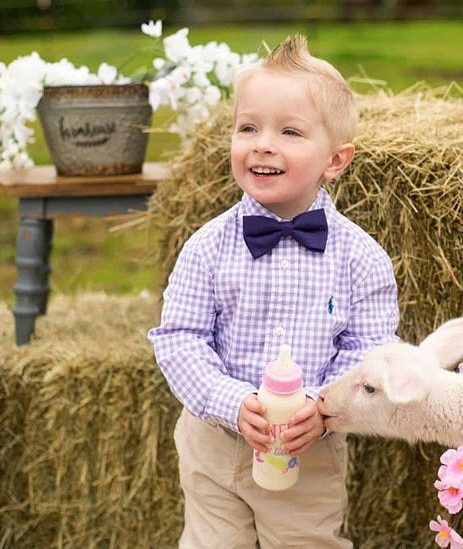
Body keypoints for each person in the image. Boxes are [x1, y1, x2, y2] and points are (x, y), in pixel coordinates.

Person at [148, 34, 399, 549]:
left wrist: (322, 407)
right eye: (247, 128)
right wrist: (231, 399)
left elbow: (369, 354)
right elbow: (179, 337)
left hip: (307, 450)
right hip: (214, 442)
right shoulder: (208, 247)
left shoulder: (360, 258)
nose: (262, 143)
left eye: (289, 131)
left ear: (336, 159)